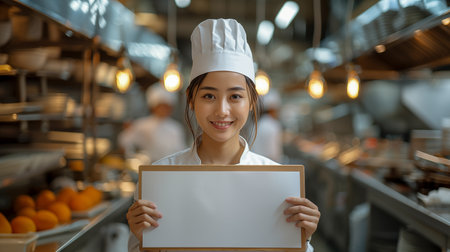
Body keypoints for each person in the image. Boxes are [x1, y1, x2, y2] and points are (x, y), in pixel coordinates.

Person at [126, 18, 320, 251]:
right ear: (191, 99)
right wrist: (141, 239)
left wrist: (302, 240)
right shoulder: (157, 181)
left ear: (251, 101)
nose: (222, 110)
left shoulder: (275, 183)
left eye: (235, 96)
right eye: (209, 96)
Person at [118, 84, 186, 164]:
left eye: (167, 106)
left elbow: (181, 151)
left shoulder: (176, 127)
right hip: (149, 168)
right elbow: (125, 142)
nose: (164, 109)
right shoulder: (142, 124)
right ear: (153, 107)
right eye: (161, 106)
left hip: (172, 169)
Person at [252, 89, 284, 163]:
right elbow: (274, 153)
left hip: (256, 164)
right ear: (272, 109)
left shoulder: (258, 124)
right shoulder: (273, 125)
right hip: (269, 165)